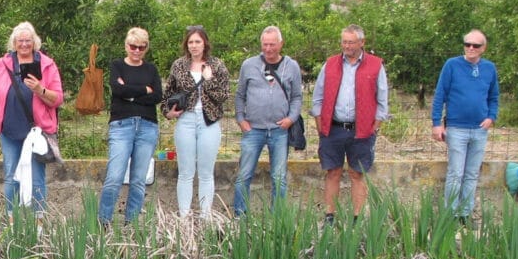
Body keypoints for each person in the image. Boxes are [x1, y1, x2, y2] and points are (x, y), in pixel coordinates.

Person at [0, 22, 64, 219]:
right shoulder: (2, 65)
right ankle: (12, 221)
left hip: (37, 131)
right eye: (21, 41)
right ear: (14, 43)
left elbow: (58, 98)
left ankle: (38, 222)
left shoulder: (47, 65)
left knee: (36, 178)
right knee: (11, 177)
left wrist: (39, 90)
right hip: (9, 130)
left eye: (28, 40)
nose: (24, 44)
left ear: (34, 42)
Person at [312, 25, 389, 223]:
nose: (346, 46)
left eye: (351, 42)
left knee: (357, 173)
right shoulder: (330, 64)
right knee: (332, 171)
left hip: (362, 130)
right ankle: (329, 216)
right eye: (344, 42)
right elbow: (318, 96)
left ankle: (357, 219)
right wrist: (319, 123)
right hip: (333, 128)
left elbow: (382, 99)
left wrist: (376, 125)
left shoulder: (375, 65)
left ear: (362, 43)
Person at [432, 31, 499, 225]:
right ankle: (450, 214)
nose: (471, 48)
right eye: (467, 44)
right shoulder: (452, 65)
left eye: (475, 45)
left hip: (480, 129)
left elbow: (493, 96)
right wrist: (437, 123)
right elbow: (439, 95)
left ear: (483, 48)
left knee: (471, 173)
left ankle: (465, 213)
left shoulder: (489, 68)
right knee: (455, 173)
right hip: (457, 128)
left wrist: (491, 117)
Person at [233, 26, 301, 217]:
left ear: (281, 44)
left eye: (272, 44)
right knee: (243, 175)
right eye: (265, 44)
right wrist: (240, 119)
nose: (269, 49)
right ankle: (240, 216)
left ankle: (277, 218)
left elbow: (297, 96)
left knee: (279, 178)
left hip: (280, 130)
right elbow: (240, 95)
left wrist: (291, 118)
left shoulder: (291, 66)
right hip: (253, 130)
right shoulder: (249, 65)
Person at [164, 25, 231, 218]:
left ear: (205, 43)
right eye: (190, 42)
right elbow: (168, 94)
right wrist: (168, 113)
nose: (194, 46)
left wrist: (208, 80)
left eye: (197, 42)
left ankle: (205, 215)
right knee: (185, 172)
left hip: (208, 121)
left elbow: (223, 95)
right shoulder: (178, 65)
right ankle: (184, 216)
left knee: (206, 172)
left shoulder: (217, 65)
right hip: (185, 119)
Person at [98, 27, 162, 226]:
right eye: (133, 46)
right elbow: (117, 90)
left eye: (141, 47)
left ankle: (131, 224)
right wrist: (144, 90)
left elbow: (157, 96)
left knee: (138, 181)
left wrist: (131, 94)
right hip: (121, 126)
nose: (136, 51)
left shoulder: (151, 69)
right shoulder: (117, 65)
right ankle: (103, 222)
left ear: (146, 48)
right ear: (126, 46)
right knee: (114, 177)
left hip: (147, 127)